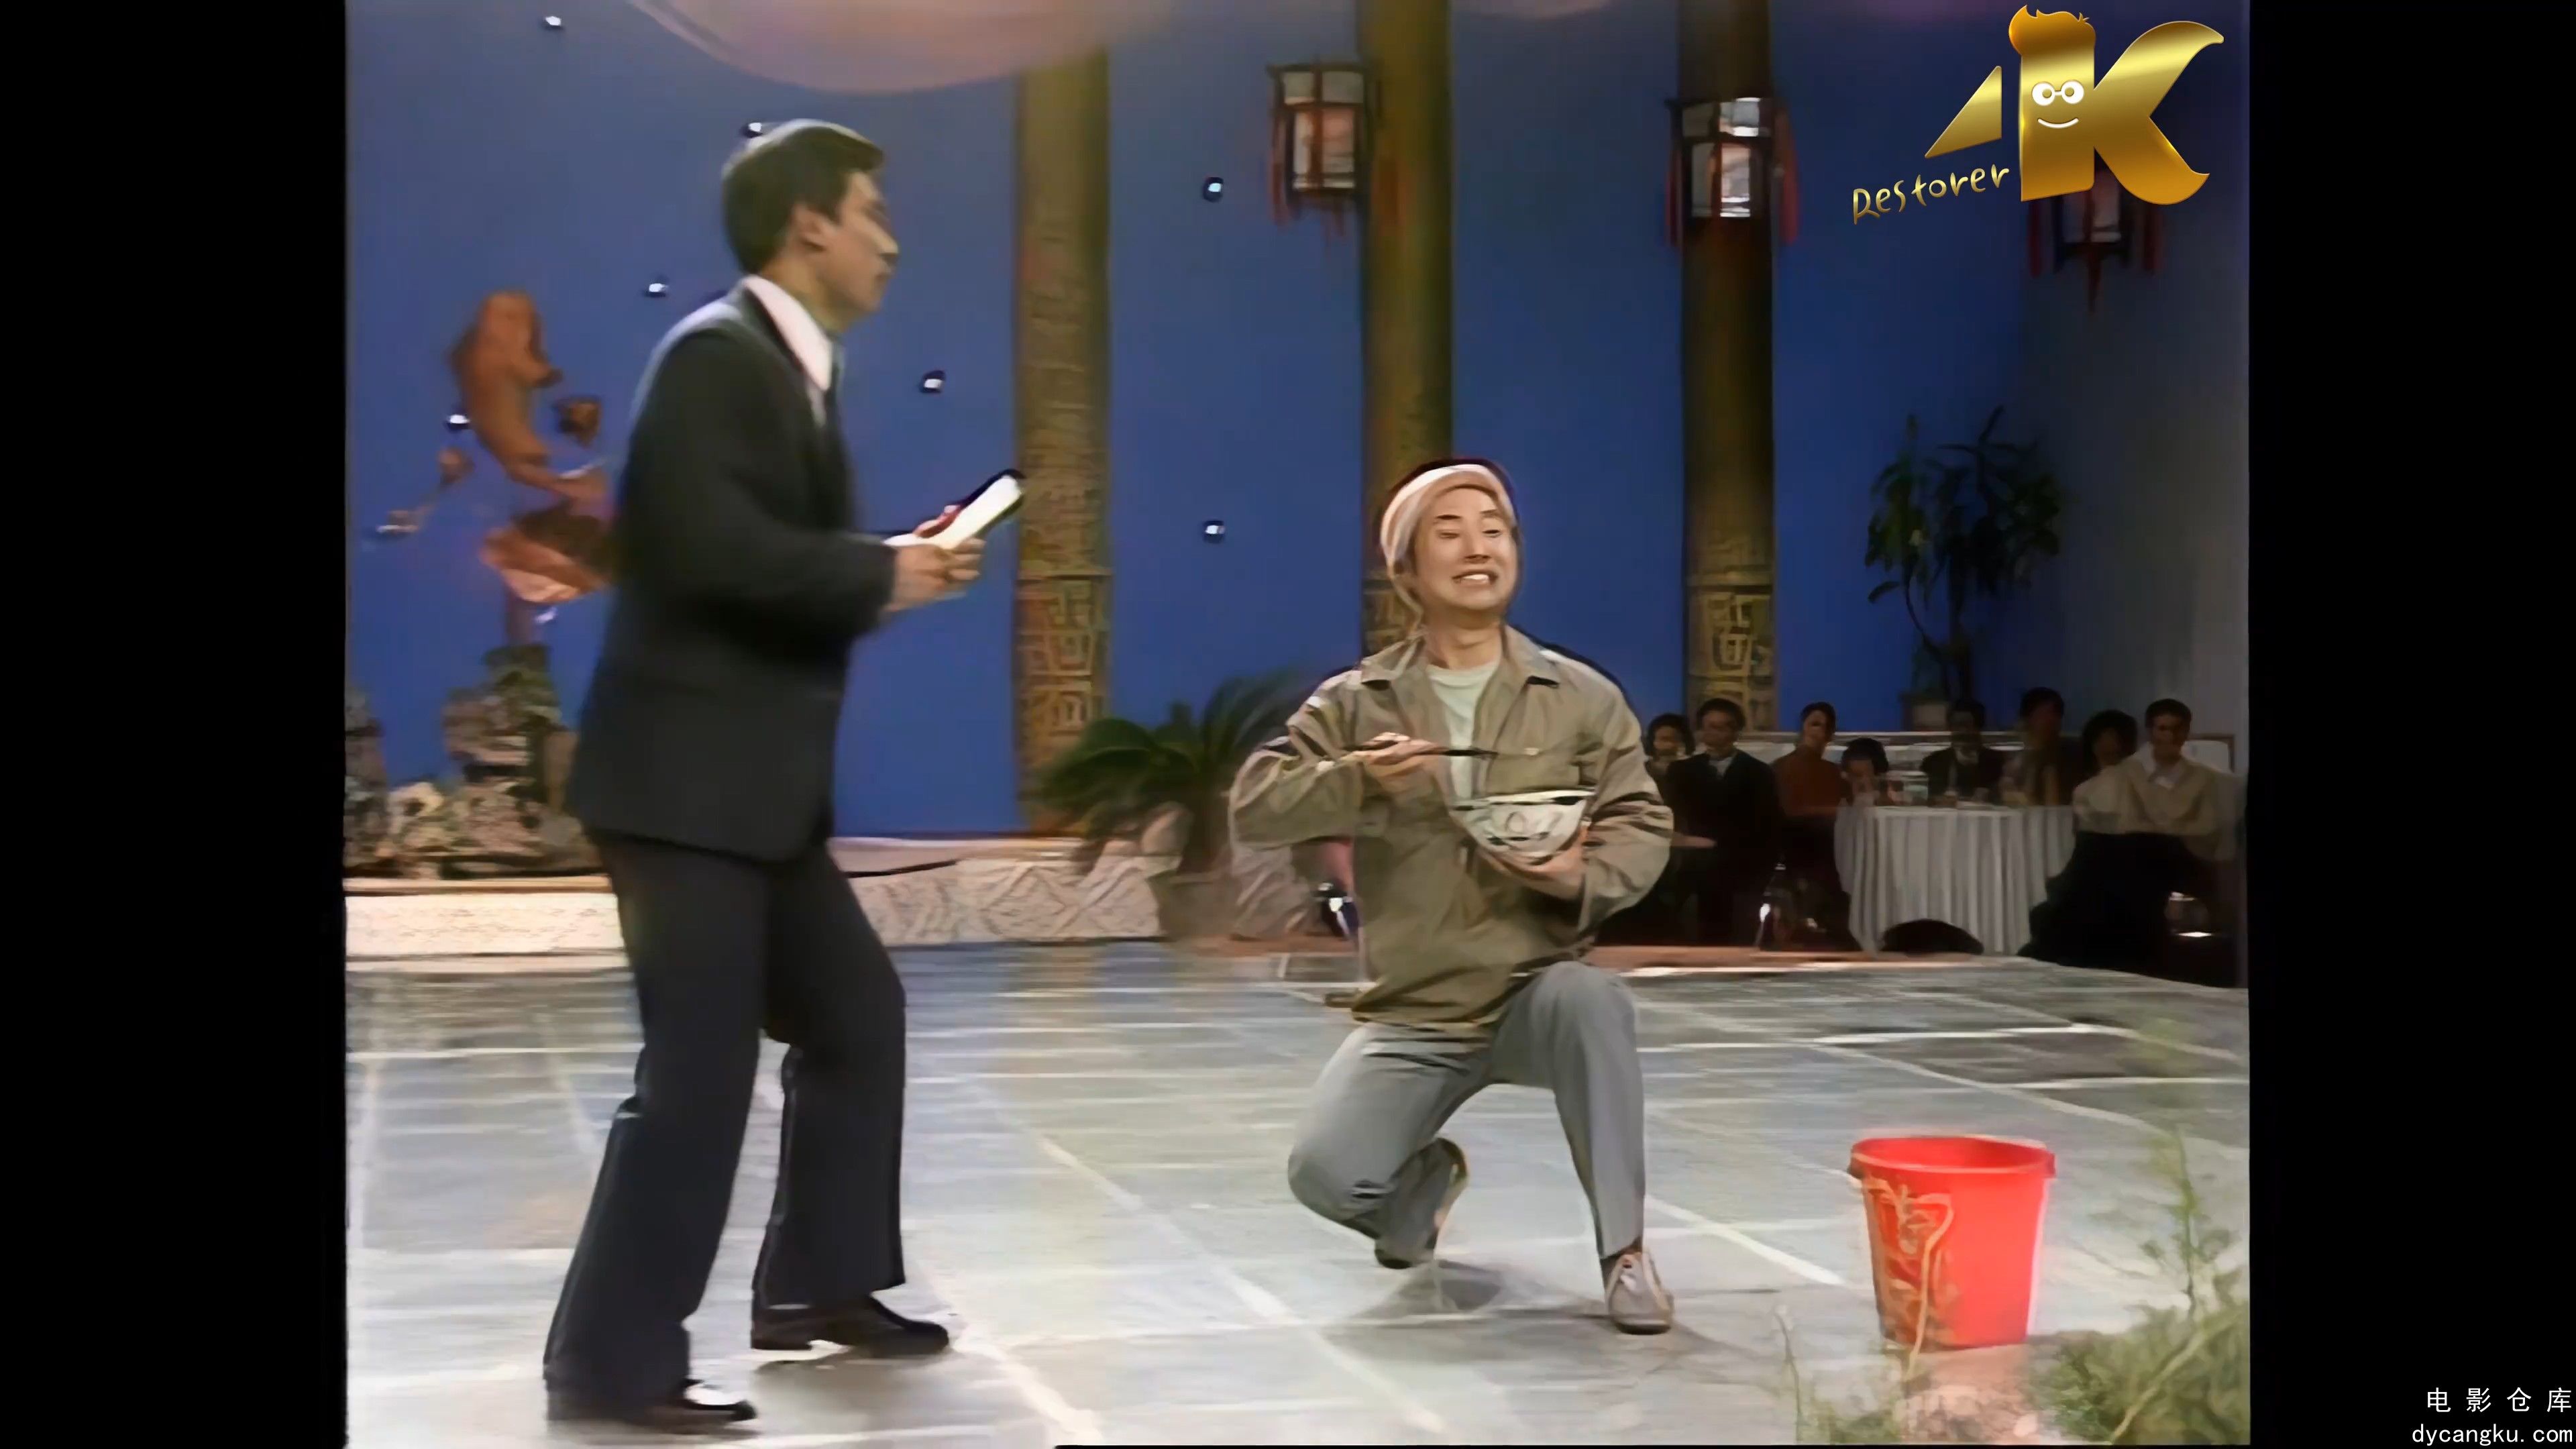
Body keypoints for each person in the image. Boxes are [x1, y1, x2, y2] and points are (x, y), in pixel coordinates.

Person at [545, 122, 983, 1434]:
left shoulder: (789, 372)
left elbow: (763, 562)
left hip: (753, 801)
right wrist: (876, 571)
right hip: (683, 794)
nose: (891, 240)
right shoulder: (717, 357)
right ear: (809, 225)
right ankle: (609, 1360)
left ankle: (817, 1283)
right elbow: (705, 551)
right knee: (697, 1070)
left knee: (855, 1017)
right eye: (871, 213)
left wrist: (883, 569)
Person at [1230, 459, 1678, 1334]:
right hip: (1418, 1007)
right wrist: (1360, 779)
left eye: (1495, 530)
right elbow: (1254, 807)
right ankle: (1420, 1191)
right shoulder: (1358, 701)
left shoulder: (1579, 697)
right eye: (1451, 532)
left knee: (1593, 1000)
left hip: (1534, 987)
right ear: (1405, 571)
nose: (1480, 547)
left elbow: (1640, 820)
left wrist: (1579, 876)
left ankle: (1624, 1253)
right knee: (1324, 1174)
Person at [1659, 697, 1782, 944]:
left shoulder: (1759, 773)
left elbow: (1769, 830)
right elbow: (1669, 819)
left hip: (1741, 877)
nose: (1714, 734)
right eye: (1709, 727)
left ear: (1736, 732)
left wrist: (1759, 878)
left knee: (1737, 943)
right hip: (1692, 877)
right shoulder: (1681, 772)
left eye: (1722, 727)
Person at [1770, 702, 1854, 947]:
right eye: (1815, 724)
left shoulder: (1834, 773)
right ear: (1803, 728)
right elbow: (1786, 812)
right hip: (1797, 850)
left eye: (1825, 727)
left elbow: (1852, 804)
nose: (1819, 732)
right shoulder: (1780, 768)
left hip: (1827, 850)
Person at [2006, 687, 2086, 805]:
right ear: (2027, 719)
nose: (2050, 721)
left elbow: (2059, 803)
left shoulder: (2073, 755)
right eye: (2042, 715)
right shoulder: (2015, 752)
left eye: (2055, 715)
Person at [1922, 699, 2004, 803]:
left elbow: (2006, 798)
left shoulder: (1998, 762)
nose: (1961, 731)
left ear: (1978, 728)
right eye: (1955, 725)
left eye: (1965, 725)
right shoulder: (1933, 762)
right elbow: (1925, 799)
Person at [1841, 737, 1895, 806]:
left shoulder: (1894, 808)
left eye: (1870, 777)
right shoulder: (1837, 806)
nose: (1862, 782)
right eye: (1856, 775)